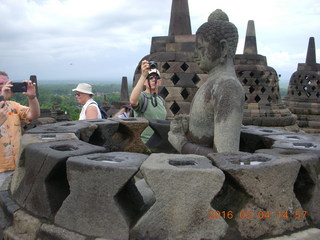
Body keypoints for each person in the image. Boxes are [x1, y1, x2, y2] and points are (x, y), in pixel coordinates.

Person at [168, 9, 245, 155]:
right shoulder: (212, 84)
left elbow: (225, 156)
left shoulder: (228, 87)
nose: (195, 55)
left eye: (201, 48)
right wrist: (189, 123)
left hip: (205, 175)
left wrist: (181, 144)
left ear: (223, 49)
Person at [0, 71, 40, 173]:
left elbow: (33, 114)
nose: (5, 87)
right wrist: (1, 98)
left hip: (17, 164)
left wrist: (32, 97)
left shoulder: (13, 106)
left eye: (7, 83)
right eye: (1, 84)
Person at [130, 60, 167, 143]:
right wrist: (143, 76)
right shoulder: (143, 97)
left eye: (156, 77)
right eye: (150, 77)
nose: (153, 79)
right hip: (144, 143)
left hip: (159, 144)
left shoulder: (161, 100)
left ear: (160, 82)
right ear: (145, 82)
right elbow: (133, 101)